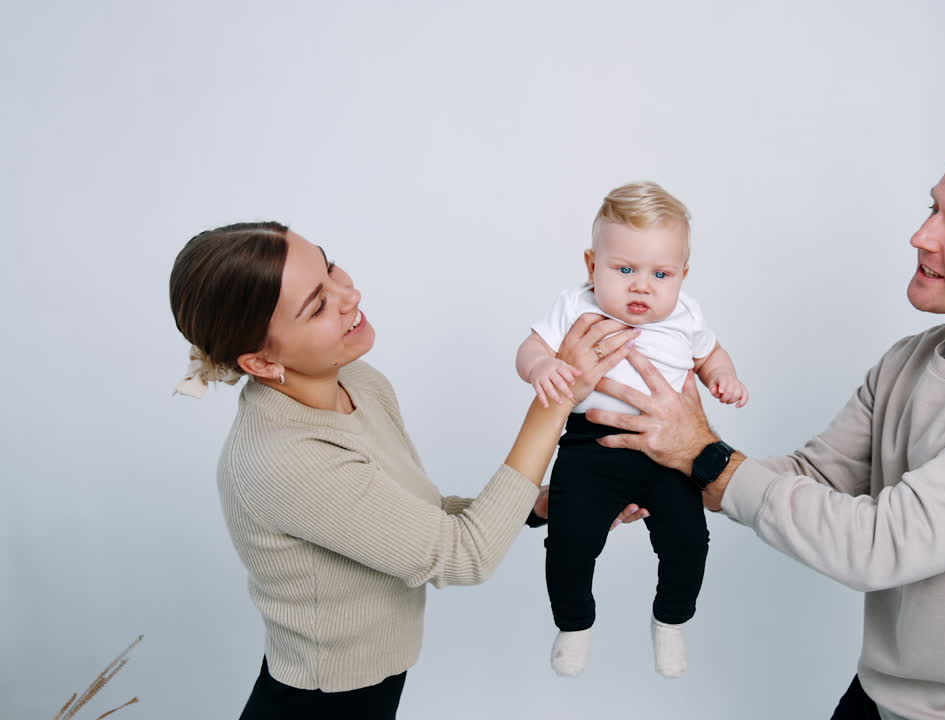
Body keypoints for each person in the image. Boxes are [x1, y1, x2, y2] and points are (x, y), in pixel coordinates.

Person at [586, 130, 945, 719]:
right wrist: (654, 476)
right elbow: (814, 474)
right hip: (875, 697)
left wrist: (704, 456)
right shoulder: (909, 361)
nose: (922, 236)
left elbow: (878, 545)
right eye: (933, 209)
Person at [168, 222, 645, 719]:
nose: (349, 295)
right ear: (262, 363)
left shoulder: (357, 382)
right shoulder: (284, 458)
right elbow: (464, 556)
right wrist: (556, 401)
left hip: (371, 690)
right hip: (319, 704)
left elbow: (419, 517)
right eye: (318, 305)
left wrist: (546, 504)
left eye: (330, 268)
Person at [516, 182, 748, 678]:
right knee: (570, 538)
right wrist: (541, 366)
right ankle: (574, 624)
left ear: (682, 275)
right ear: (591, 265)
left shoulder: (687, 315)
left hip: (670, 450)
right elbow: (531, 347)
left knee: (689, 540)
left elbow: (710, 353)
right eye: (625, 270)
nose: (642, 286)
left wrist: (722, 376)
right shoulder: (575, 305)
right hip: (590, 445)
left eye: (660, 274)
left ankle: (671, 620)